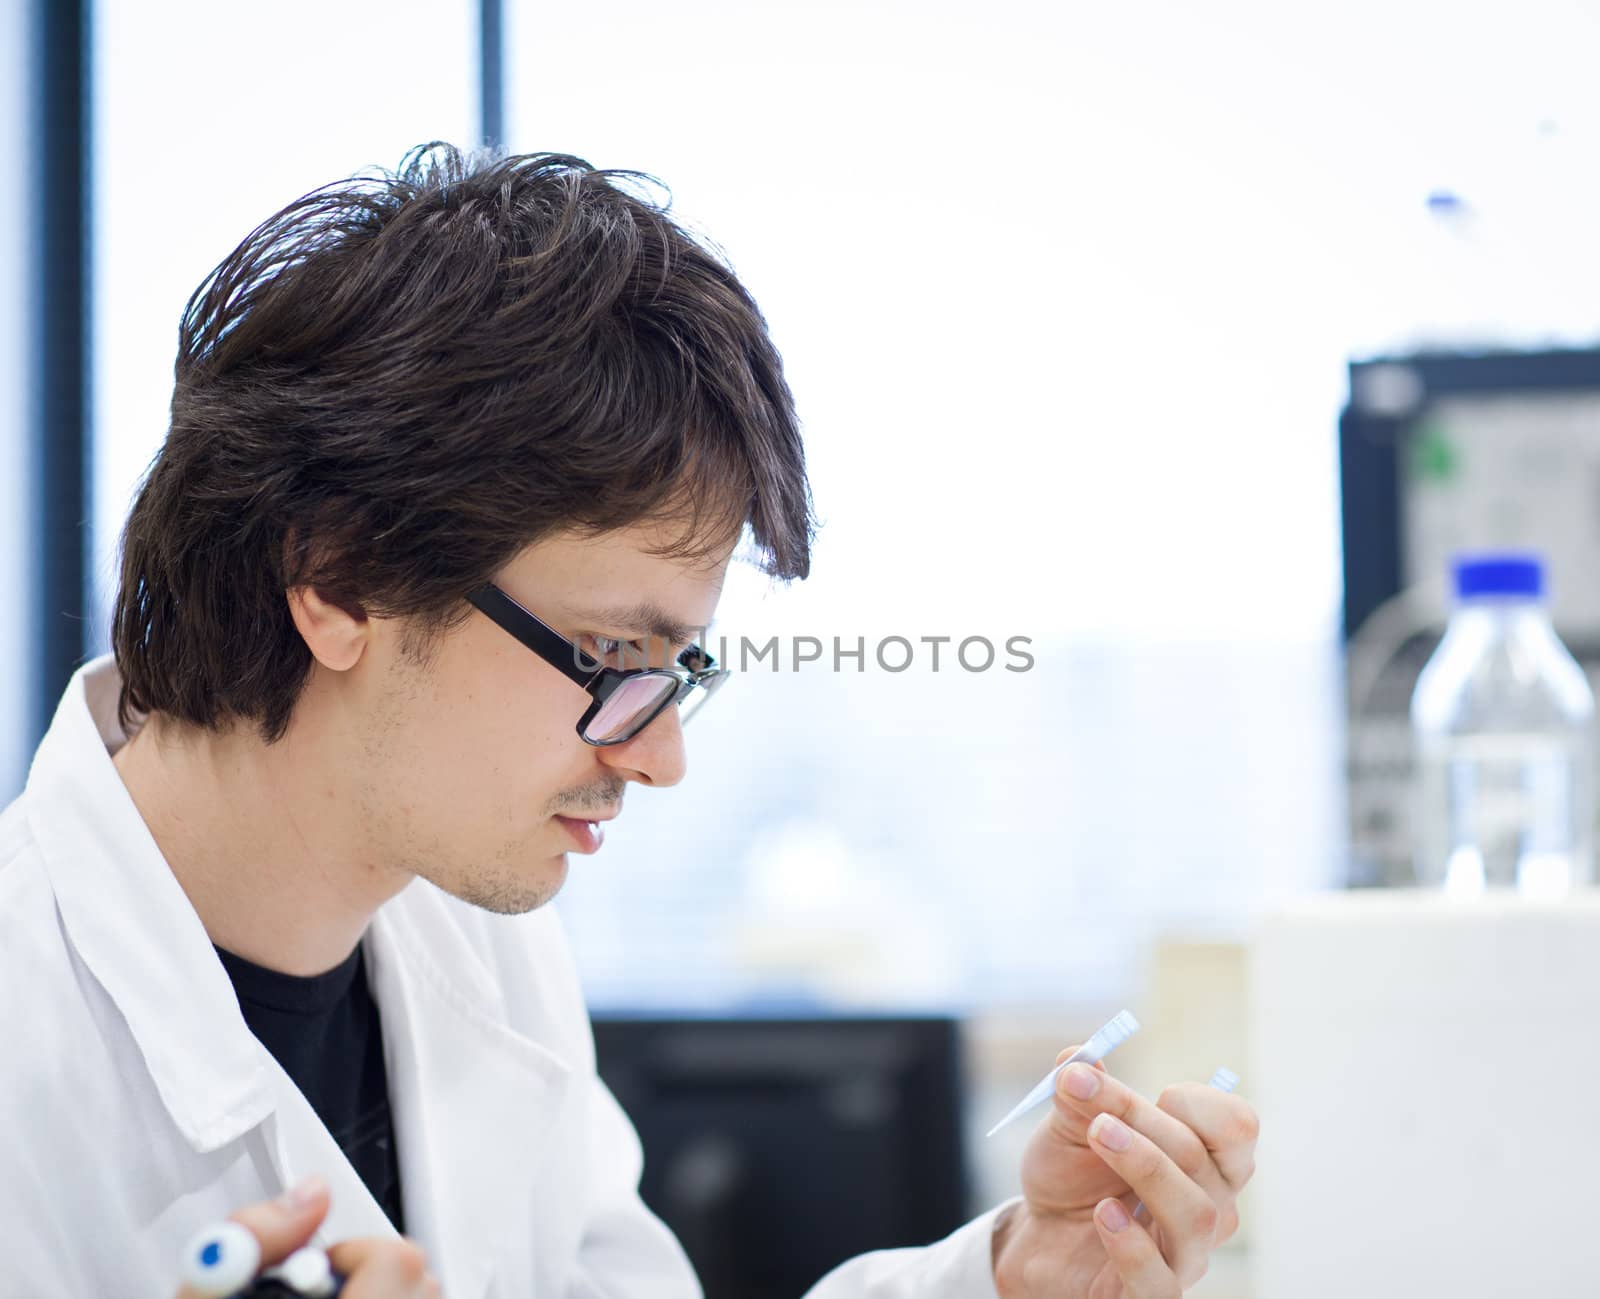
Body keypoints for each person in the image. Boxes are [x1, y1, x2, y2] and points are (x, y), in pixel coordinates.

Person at [0, 143, 1257, 1299]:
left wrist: (1007, 1281)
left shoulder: (477, 945)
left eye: (676, 668)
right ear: (339, 583)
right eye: (610, 654)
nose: (658, 757)